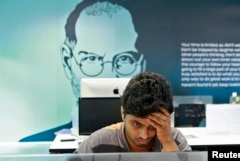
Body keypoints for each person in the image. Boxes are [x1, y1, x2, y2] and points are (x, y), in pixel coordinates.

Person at [19, 0, 146, 141]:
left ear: (142, 63)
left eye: (125, 59)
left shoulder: (154, 142)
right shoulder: (34, 144)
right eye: (91, 58)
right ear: (68, 61)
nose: (109, 74)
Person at [75, 72, 192, 153]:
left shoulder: (174, 139)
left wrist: (167, 142)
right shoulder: (98, 142)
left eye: (153, 126)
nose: (144, 135)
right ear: (123, 113)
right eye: (136, 124)